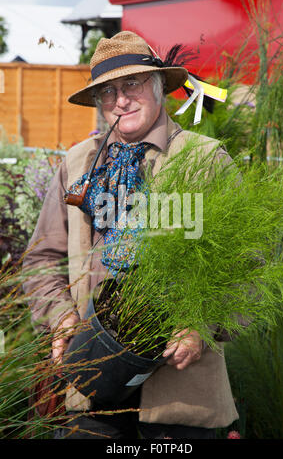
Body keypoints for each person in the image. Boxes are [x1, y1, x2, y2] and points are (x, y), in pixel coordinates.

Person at [23, 31, 242, 439]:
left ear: (160, 86)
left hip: (183, 400)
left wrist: (201, 325)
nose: (120, 100)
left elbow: (248, 267)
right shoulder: (76, 164)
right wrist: (61, 318)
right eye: (107, 91)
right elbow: (40, 259)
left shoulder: (205, 160)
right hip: (89, 388)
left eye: (132, 84)